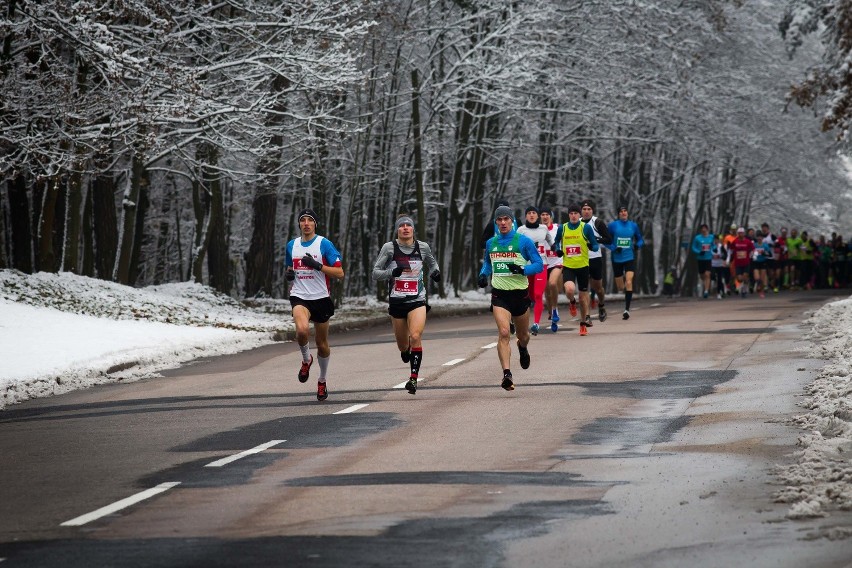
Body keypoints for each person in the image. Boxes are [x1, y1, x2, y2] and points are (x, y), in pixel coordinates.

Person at [372, 215, 440, 394]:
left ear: (413, 229)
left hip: (417, 300)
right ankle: (405, 350)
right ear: (397, 230)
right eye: (401, 226)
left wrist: (435, 273)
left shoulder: (422, 247)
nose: (405, 228)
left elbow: (433, 265)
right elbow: (375, 273)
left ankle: (413, 379)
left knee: (415, 336)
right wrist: (391, 272)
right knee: (403, 345)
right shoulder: (389, 248)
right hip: (397, 302)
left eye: (408, 225)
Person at [478, 205, 543, 391]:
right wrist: (483, 275)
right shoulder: (491, 243)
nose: (503, 222)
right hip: (500, 295)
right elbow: (488, 265)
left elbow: (538, 265)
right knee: (504, 332)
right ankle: (507, 374)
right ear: (496, 222)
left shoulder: (523, 241)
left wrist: (523, 270)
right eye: (499, 220)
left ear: (512, 221)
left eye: (506, 219)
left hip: (520, 295)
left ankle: (522, 348)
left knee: (523, 335)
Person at [285, 208, 345, 401]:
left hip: (320, 297)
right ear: (299, 224)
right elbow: (289, 267)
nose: (306, 223)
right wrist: (288, 274)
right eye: (303, 220)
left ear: (315, 224)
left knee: (322, 344)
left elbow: (339, 273)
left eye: (310, 220)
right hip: (299, 296)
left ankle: (322, 380)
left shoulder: (324, 244)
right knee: (301, 331)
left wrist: (318, 266)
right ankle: (306, 360)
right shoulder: (291, 245)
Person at [554, 203, 600, 335]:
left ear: (579, 215)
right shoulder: (562, 228)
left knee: (583, 297)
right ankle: (572, 301)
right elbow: (556, 242)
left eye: (576, 213)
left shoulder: (585, 228)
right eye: (571, 213)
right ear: (568, 215)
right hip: (569, 266)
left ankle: (583, 323)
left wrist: (593, 247)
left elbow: (595, 244)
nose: (574, 216)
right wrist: (558, 249)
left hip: (583, 266)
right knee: (569, 290)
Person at [516, 206, 553, 335]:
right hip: (527, 266)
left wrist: (556, 248)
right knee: (530, 295)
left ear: (537, 216)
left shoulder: (543, 228)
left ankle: (536, 324)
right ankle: (537, 306)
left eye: (534, 213)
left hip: (541, 265)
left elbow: (550, 240)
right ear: (526, 216)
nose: (531, 215)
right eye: (529, 213)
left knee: (538, 294)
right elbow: (515, 245)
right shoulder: (521, 230)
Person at [607, 205, 644, 319]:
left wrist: (638, 245)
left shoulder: (633, 226)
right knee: (620, 287)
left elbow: (640, 239)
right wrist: (613, 248)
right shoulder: (613, 226)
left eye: (625, 211)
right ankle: (622, 289)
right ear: (618, 214)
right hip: (617, 259)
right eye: (621, 211)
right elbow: (606, 240)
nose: (623, 213)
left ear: (627, 213)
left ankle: (627, 310)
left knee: (629, 282)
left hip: (629, 257)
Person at [580, 199, 612, 322]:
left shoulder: (597, 222)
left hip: (595, 258)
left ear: (592, 211)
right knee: (584, 289)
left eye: (589, 209)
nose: (586, 212)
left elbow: (608, 239)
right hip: (581, 260)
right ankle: (587, 316)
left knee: (598, 287)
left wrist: (595, 240)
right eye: (584, 209)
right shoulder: (576, 223)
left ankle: (601, 305)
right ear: (581, 211)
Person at [540, 207, 563, 332]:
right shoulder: (536, 230)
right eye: (542, 214)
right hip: (543, 264)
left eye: (547, 214)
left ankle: (555, 310)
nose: (544, 216)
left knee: (552, 283)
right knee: (547, 293)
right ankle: (551, 312)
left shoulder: (558, 228)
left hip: (557, 262)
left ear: (551, 216)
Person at [728, 227, 754, 297]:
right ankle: (744, 284)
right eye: (739, 233)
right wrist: (729, 258)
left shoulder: (748, 241)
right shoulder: (735, 241)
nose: (740, 234)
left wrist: (751, 255)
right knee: (739, 279)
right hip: (738, 263)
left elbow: (753, 249)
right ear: (737, 234)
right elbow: (730, 249)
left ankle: (744, 289)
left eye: (742, 233)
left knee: (745, 276)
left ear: (744, 234)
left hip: (746, 262)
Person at [691, 223, 714, 299]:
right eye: (702, 229)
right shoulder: (697, 238)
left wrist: (714, 249)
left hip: (708, 258)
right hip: (700, 259)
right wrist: (699, 252)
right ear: (701, 230)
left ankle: (706, 291)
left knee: (707, 274)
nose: (704, 230)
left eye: (705, 229)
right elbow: (693, 247)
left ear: (707, 229)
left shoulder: (711, 237)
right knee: (702, 275)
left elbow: (714, 245)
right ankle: (705, 285)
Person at [710, 234, 729, 299]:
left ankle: (720, 292)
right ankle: (716, 282)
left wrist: (723, 258)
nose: (715, 241)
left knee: (719, 279)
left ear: (718, 240)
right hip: (712, 264)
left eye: (717, 239)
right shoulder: (711, 246)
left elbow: (726, 255)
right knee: (712, 276)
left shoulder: (721, 246)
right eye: (714, 239)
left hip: (720, 265)